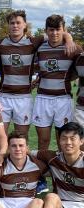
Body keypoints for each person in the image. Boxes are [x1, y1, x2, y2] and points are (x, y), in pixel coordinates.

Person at [32, 15, 81, 150]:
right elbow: (38, 67)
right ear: (46, 31)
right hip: (43, 98)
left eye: (58, 29)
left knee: (63, 141)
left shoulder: (74, 49)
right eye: (51, 30)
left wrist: (69, 39)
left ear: (64, 30)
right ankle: (44, 169)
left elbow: (79, 70)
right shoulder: (39, 48)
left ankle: (62, 170)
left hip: (63, 99)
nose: (54, 33)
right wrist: (41, 76)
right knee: (43, 140)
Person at [36, 122, 84, 208]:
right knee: (50, 196)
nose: (68, 142)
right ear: (59, 141)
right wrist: (2, 155)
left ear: (81, 141)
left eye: (72, 138)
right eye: (64, 138)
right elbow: (24, 152)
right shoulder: (52, 157)